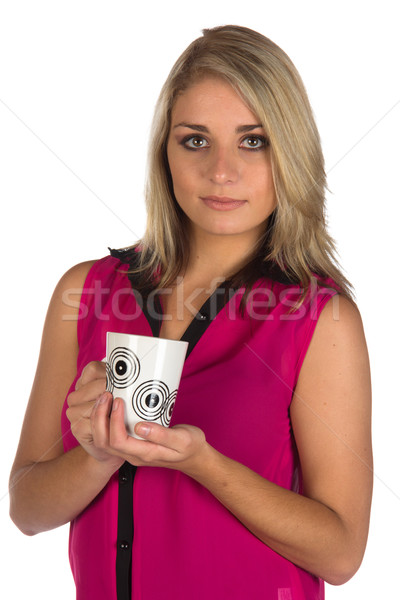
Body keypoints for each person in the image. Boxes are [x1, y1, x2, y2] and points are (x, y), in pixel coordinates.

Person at [9, 25, 372, 600]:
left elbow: (342, 551)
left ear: (290, 151)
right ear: (165, 153)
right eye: (195, 140)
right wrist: (98, 457)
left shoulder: (319, 318)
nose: (221, 171)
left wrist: (203, 463)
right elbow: (26, 509)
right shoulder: (85, 293)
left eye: (253, 141)